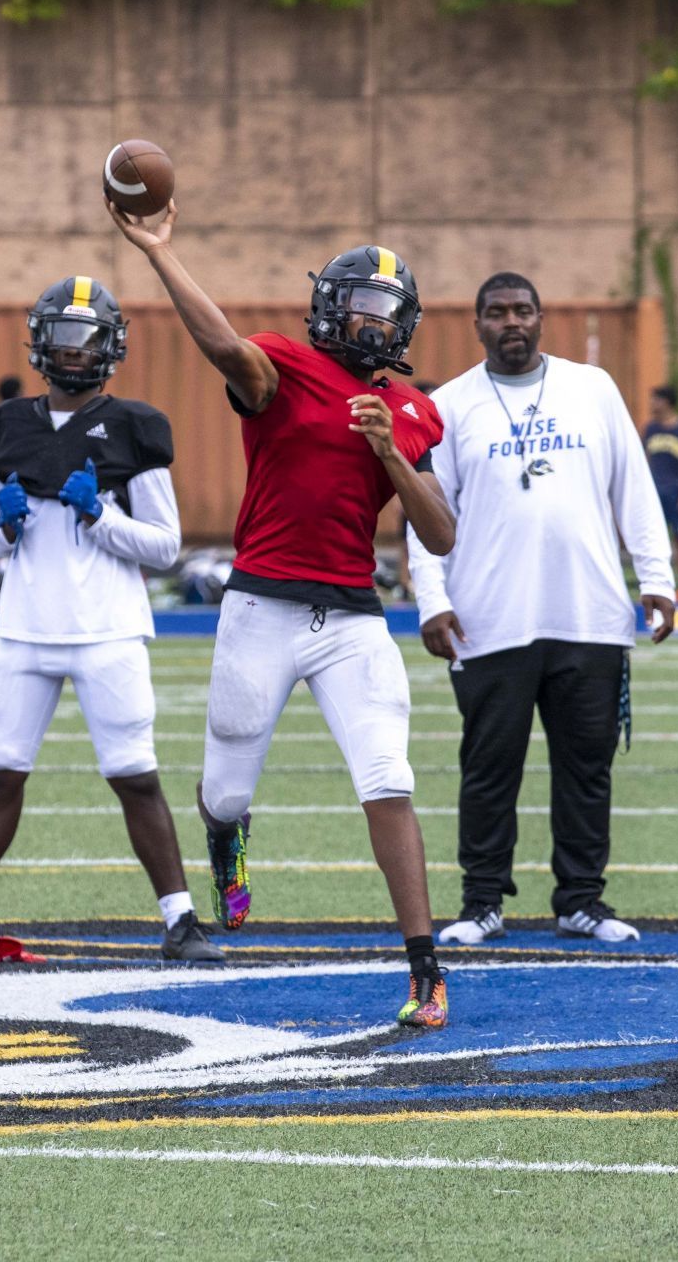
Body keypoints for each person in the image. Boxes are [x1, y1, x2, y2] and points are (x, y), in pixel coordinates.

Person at [113, 199, 458, 1029]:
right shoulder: (281, 367)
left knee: (389, 777)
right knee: (226, 792)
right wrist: (161, 253)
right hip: (260, 605)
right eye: (362, 310)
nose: (374, 328)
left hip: (352, 617)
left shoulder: (411, 412)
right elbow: (222, 345)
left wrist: (386, 451)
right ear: (330, 309)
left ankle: (425, 969)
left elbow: (441, 532)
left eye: (388, 315)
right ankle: (226, 837)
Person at [0, 277, 221, 963]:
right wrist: (2, 526)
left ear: (110, 344)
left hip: (108, 631)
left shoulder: (136, 427)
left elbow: (165, 544)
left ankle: (181, 921)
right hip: (24, 628)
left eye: (86, 337)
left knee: (135, 775)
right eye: (62, 337)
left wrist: (103, 515)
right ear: (40, 342)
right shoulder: (5, 425)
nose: (72, 351)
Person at [410, 273, 676, 947]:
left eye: (522, 310)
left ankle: (581, 901)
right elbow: (424, 513)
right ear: (477, 325)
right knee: (489, 767)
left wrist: (658, 577)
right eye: (497, 313)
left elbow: (634, 489)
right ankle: (481, 904)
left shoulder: (594, 389)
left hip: (589, 616)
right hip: (487, 619)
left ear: (541, 318)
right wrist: (432, 601)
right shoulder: (450, 405)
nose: (511, 323)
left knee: (587, 767)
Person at [642, 384, 678, 572]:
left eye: (656, 399)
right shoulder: (651, 429)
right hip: (656, 490)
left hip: (677, 490)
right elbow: (645, 459)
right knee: (655, 537)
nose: (652, 403)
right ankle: (659, 576)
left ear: (667, 402)